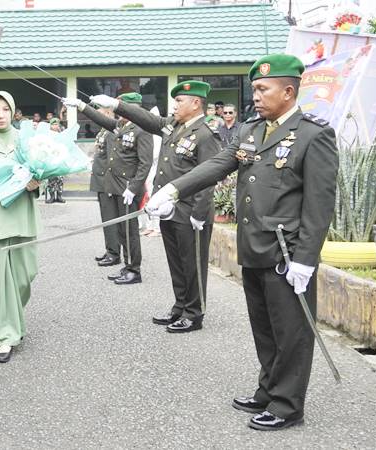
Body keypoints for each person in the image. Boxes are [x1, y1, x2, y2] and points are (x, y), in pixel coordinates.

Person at [145, 54, 338, 431]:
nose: (257, 96)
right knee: (264, 328)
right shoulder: (251, 130)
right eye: (255, 89)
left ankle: (287, 405)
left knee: (291, 333)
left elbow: (320, 203)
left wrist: (306, 258)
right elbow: (219, 164)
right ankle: (268, 390)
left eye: (264, 89)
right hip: (255, 246)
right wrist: (173, 188)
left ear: (288, 90)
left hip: (286, 253)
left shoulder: (314, 135)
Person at [85, 80, 221, 333]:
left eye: (180, 101)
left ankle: (194, 313)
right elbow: (146, 119)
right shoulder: (173, 126)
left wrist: (199, 213)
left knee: (193, 264)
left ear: (196, 103)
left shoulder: (205, 134)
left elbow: (209, 175)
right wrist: (116, 104)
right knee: (176, 262)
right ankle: (180, 306)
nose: (175, 105)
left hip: (191, 211)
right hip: (170, 209)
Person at [0, 91, 41, 362]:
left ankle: (13, 319)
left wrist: (38, 183)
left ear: (13, 112)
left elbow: (42, 171)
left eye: (5, 109)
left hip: (23, 216)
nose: (0, 114)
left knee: (26, 275)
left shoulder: (26, 141)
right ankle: (6, 335)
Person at [64, 92, 154, 283]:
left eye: (122, 106)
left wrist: (134, 188)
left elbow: (145, 164)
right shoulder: (121, 126)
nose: (117, 110)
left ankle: (134, 270)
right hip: (117, 186)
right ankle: (127, 266)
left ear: (133, 108)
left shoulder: (142, 129)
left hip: (129, 188)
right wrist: (81, 105)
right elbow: (101, 119)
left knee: (130, 231)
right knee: (121, 229)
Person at [85, 105, 122, 268]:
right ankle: (110, 250)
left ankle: (114, 253)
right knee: (106, 219)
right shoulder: (103, 131)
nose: (95, 117)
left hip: (106, 182)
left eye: (98, 114)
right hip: (100, 180)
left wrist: (109, 184)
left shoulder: (111, 131)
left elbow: (111, 161)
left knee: (110, 218)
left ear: (108, 113)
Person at [45, 118, 66, 204]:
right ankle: (52, 196)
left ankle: (59, 196)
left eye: (56, 124)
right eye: (53, 124)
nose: (55, 126)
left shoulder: (62, 134)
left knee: (60, 178)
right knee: (51, 178)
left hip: (60, 158)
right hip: (51, 158)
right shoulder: (47, 135)